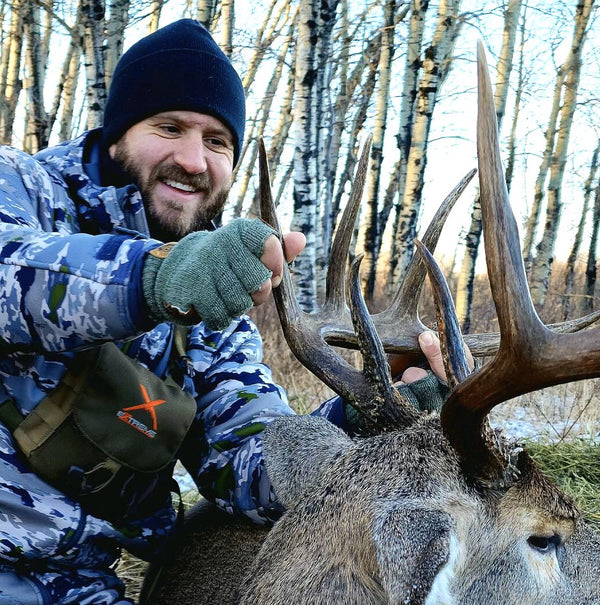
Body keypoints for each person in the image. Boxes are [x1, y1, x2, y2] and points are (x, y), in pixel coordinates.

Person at [0, 19, 447, 604]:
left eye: (217, 142)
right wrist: (157, 274)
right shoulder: (24, 187)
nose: (193, 160)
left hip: (76, 583)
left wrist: (366, 419)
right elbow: (14, 272)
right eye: (169, 128)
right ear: (115, 135)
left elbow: (244, 452)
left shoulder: (216, 304)